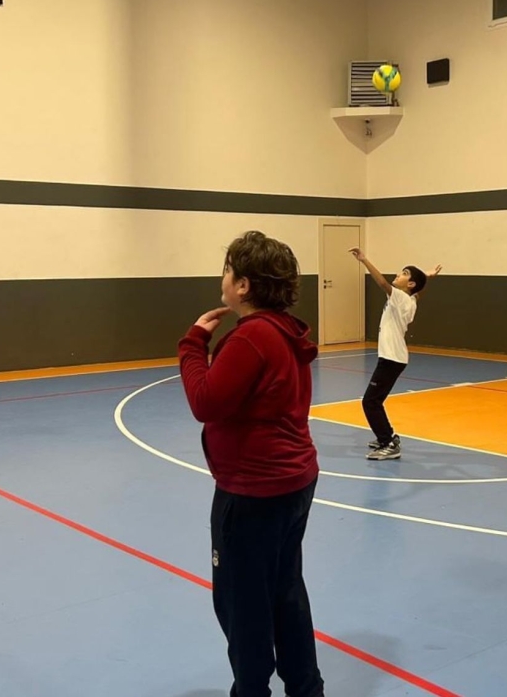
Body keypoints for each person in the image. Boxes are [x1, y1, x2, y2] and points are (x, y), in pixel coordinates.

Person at [178, 230, 324, 697]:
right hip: (292, 483)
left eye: (227, 271)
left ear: (243, 285)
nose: (222, 278)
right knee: (285, 592)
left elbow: (206, 401)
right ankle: (306, 688)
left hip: (253, 492)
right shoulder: (285, 330)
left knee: (243, 606)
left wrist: (193, 344)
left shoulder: (252, 337)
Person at [349, 247, 442, 460]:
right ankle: (387, 436)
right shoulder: (410, 300)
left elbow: (383, 283)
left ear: (410, 284)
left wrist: (364, 260)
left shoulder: (400, 297)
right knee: (375, 401)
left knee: (370, 402)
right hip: (395, 358)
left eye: (404, 274)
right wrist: (426, 277)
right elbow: (418, 292)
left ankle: (388, 442)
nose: (398, 275)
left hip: (391, 359)